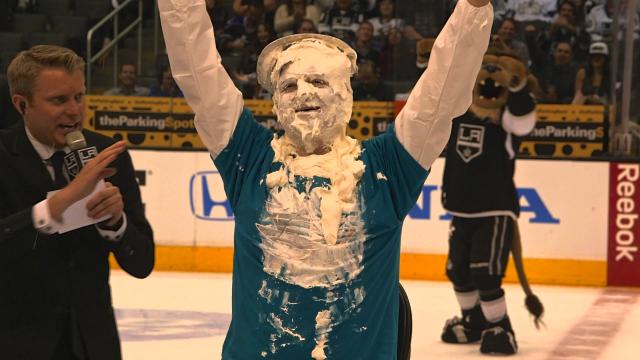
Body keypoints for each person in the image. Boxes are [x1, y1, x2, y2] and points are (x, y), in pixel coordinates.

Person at [158, 0, 492, 358]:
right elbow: (200, 73)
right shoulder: (250, 159)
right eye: (288, 86)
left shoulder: (389, 166)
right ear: (274, 103)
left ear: (345, 95)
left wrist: (472, 10)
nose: (303, 93)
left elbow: (441, 94)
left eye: (318, 81)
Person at [0, 45, 155, 359]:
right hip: (16, 343)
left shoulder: (107, 154)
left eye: (79, 96)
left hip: (92, 344)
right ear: (21, 105)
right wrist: (63, 202)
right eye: (59, 100)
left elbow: (142, 263)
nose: (75, 110)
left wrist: (115, 223)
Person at [439, 45, 537, 355]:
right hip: (459, 208)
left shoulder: (506, 121)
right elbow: (438, 95)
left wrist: (518, 86)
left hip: (494, 210)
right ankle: (474, 322)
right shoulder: (460, 111)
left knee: (486, 273)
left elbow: (523, 119)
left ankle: (500, 327)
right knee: (458, 271)